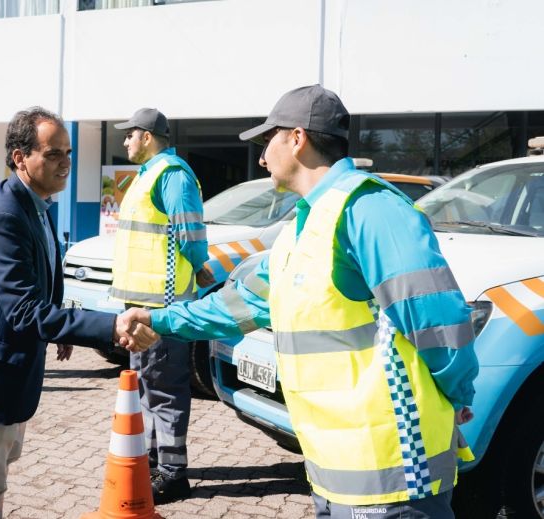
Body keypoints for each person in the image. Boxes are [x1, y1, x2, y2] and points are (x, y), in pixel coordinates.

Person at [121, 85, 479, 518]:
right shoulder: (302, 229)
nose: (260, 157)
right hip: (333, 473)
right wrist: (158, 320)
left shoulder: (370, 209)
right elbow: (236, 307)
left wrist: (458, 396)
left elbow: (438, 320)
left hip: (394, 478)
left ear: (297, 138)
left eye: (265, 142)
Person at [0, 107, 158, 519]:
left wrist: (57, 325)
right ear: (21, 157)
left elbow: (37, 284)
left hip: (10, 364)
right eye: (54, 153)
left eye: (68, 153)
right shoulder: (6, 214)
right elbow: (23, 310)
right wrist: (109, 326)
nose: (66, 163)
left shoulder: (34, 203)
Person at [110, 107, 213, 504]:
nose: (125, 141)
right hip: (143, 304)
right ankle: (155, 460)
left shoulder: (171, 175)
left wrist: (199, 266)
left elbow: (189, 231)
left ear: (148, 136)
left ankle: (173, 473)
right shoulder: (150, 175)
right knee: (147, 387)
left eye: (129, 134)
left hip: (165, 306)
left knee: (165, 389)